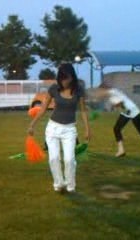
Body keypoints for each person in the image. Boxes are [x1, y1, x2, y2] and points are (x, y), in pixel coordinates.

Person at [28, 63, 90, 193]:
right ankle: (58, 183)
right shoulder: (54, 89)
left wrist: (87, 129)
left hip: (69, 130)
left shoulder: (78, 90)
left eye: (67, 78)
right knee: (54, 158)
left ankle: (70, 185)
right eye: (62, 78)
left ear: (72, 77)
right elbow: (43, 108)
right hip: (53, 128)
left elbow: (83, 111)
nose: (64, 81)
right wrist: (32, 124)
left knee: (69, 159)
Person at [94, 83, 140, 157]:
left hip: (133, 110)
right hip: (126, 112)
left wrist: (98, 96)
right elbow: (115, 104)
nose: (100, 92)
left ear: (105, 89)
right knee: (116, 129)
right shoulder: (111, 97)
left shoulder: (113, 91)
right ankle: (121, 150)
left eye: (101, 90)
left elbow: (120, 103)